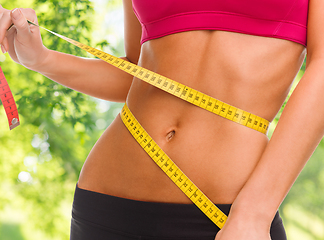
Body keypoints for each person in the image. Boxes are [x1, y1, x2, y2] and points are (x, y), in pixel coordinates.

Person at [0, 0, 322, 239]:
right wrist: (41, 59)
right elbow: (136, 71)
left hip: (228, 219)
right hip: (107, 206)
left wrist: (254, 213)